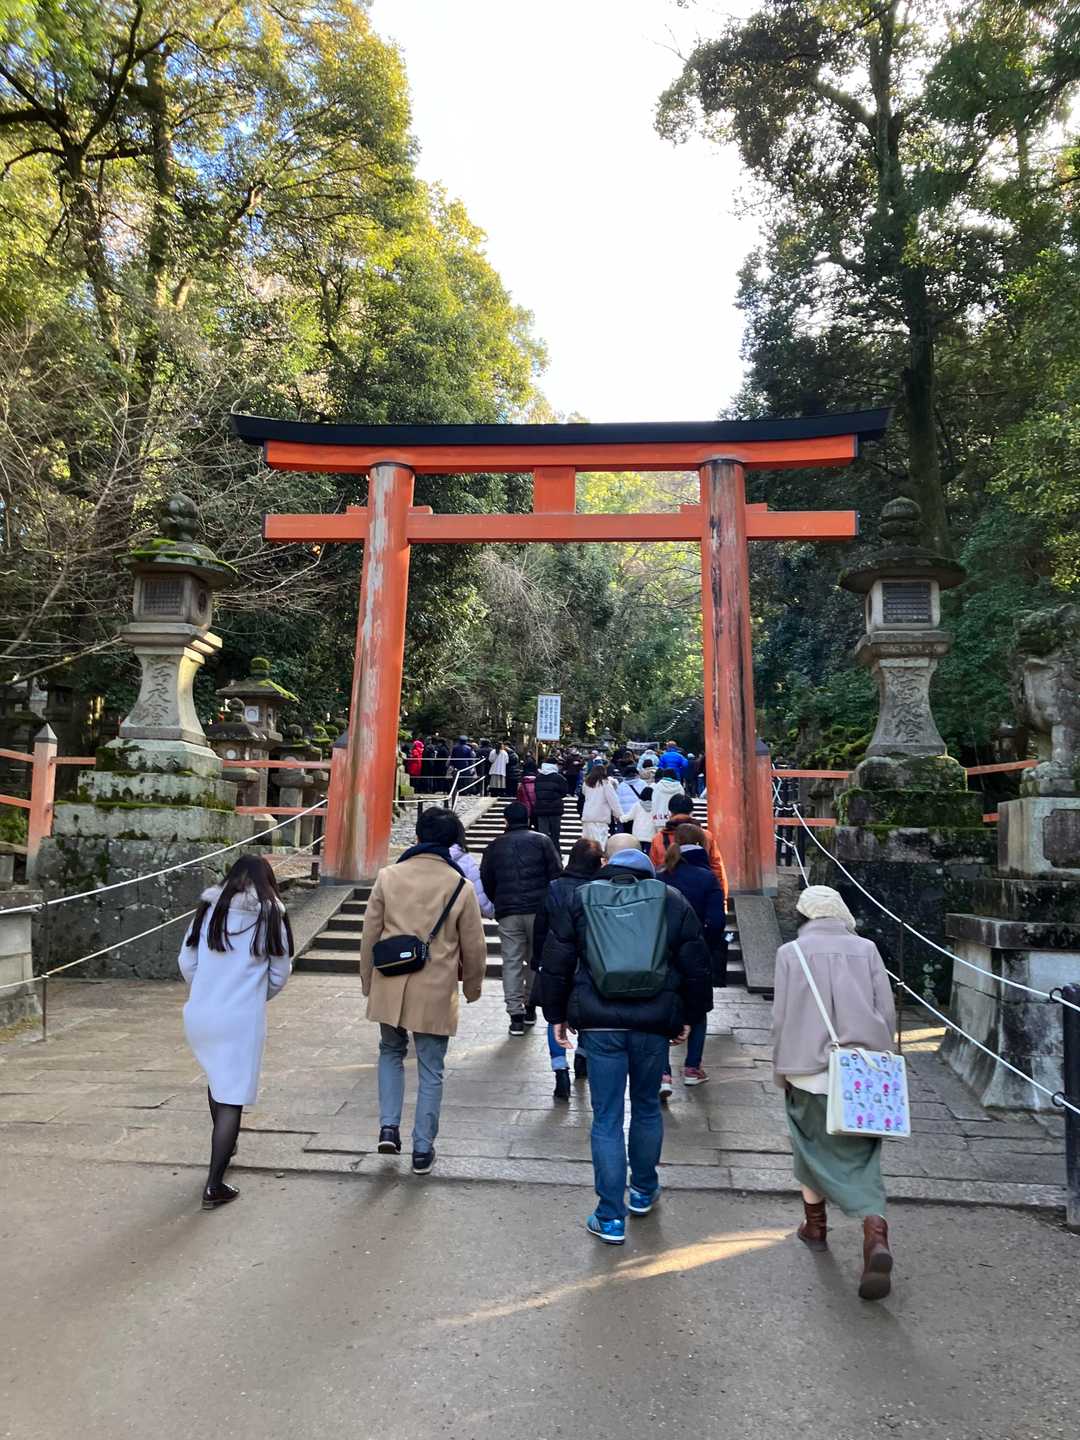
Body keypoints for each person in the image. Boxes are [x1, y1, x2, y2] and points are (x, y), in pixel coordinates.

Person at [541, 835, 713, 1244]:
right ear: (647, 872)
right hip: (653, 1022)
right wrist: (690, 1016)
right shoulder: (670, 900)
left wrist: (556, 1015)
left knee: (606, 1118)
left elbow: (558, 961)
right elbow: (696, 963)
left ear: (608, 866)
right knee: (647, 1107)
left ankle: (609, 1216)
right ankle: (643, 1189)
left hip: (599, 1023)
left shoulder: (581, 899)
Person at [772, 885, 898, 1301]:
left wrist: (781, 1070)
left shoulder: (790, 953)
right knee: (862, 1156)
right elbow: (886, 1011)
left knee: (809, 1147)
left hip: (807, 1072)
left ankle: (816, 1226)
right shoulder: (867, 950)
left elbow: (781, 1018)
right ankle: (875, 1233)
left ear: (803, 916)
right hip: (862, 1075)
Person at [359, 806, 487, 1175]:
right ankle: (421, 1148)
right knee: (432, 1067)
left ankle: (388, 1126)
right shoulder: (460, 886)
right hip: (435, 987)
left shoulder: (389, 876)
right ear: (453, 842)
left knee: (390, 1051)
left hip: (390, 982)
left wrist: (368, 979)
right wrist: (473, 987)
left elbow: (370, 933)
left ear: (417, 836)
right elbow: (474, 946)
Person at [179, 855, 293, 1210]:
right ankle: (214, 1184)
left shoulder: (207, 909)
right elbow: (280, 972)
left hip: (201, 1013)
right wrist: (254, 994)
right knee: (231, 1096)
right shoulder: (271, 915)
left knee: (218, 1079)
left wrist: (207, 989)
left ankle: (224, 1148)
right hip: (241, 1017)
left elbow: (187, 961)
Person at [479, 801, 563, 1034]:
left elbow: (486, 879)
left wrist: (499, 900)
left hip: (508, 912)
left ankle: (515, 1014)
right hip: (539, 911)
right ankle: (530, 1006)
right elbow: (556, 874)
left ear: (505, 821)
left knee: (512, 961)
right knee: (535, 959)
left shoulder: (494, 846)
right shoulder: (542, 841)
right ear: (527, 818)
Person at [659, 824, 728, 1089]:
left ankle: (663, 1072)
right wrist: (705, 945)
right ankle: (692, 1067)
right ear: (702, 844)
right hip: (697, 952)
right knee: (697, 1009)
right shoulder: (707, 878)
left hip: (663, 953)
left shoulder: (661, 876)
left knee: (662, 1007)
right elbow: (717, 920)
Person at [532, 837, 602, 1098]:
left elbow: (541, 926)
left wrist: (538, 959)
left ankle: (559, 1069)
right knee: (587, 1010)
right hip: (589, 962)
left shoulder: (554, 887)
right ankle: (582, 1056)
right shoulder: (598, 889)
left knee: (555, 1015)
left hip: (556, 959)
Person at [650, 793, 729, 893]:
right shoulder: (706, 836)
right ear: (691, 812)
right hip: (702, 891)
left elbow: (653, 870)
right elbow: (716, 868)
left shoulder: (658, 838)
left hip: (669, 893)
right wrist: (721, 896)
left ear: (670, 813)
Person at [449, 814, 495, 919]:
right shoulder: (465, 860)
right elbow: (479, 895)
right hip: (456, 920)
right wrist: (491, 911)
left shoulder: (417, 860)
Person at [580, 764, 622, 844]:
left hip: (587, 815)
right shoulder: (606, 783)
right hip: (601, 816)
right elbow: (613, 800)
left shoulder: (586, 783)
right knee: (600, 842)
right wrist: (619, 814)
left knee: (588, 843)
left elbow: (584, 793)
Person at [534, 761, 569, 849]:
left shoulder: (538, 778)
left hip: (541, 808)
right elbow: (564, 792)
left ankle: (543, 852)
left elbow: (536, 791)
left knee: (543, 834)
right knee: (555, 834)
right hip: (555, 808)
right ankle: (555, 852)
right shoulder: (559, 778)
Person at [516, 758, 538, 823]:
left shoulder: (522, 784)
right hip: (537, 810)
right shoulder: (539, 783)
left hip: (525, 811)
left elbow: (519, 798)